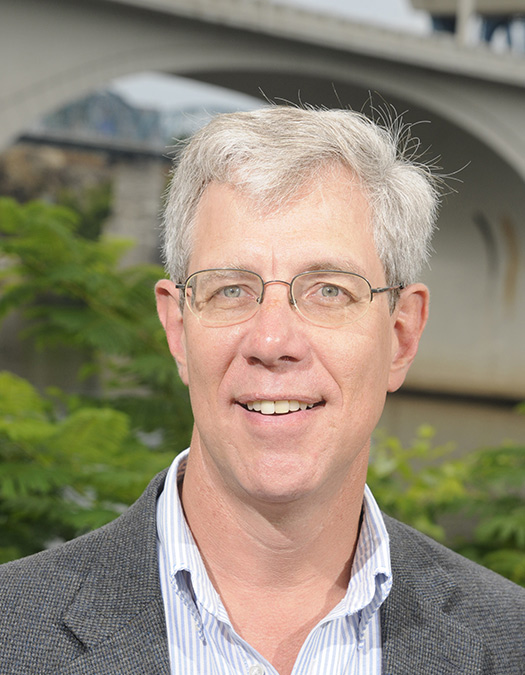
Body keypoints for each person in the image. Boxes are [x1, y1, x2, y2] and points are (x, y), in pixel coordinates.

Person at [1, 106, 524, 674]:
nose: (273, 341)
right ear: (177, 329)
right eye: (230, 290)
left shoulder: (510, 639)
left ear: (401, 336)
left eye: (330, 290)